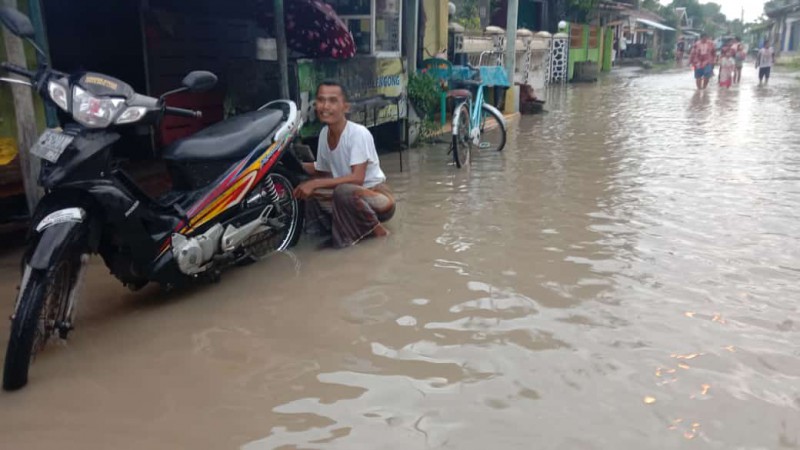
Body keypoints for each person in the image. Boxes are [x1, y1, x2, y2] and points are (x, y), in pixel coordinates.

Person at [295, 81, 396, 248]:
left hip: (378, 197)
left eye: (333, 101)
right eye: (321, 100)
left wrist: (315, 183)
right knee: (307, 192)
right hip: (348, 198)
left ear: (345, 107)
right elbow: (322, 170)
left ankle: (379, 232)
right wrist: (296, 166)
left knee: (342, 191)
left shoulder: (358, 133)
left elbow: (357, 179)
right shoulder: (324, 134)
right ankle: (323, 235)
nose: (325, 106)